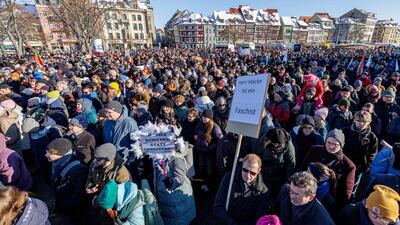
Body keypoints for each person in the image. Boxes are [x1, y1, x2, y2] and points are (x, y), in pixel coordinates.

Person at [301, 129, 356, 207]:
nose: (331, 146)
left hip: (326, 202)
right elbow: (302, 167)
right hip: (306, 191)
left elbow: (346, 191)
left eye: (335, 144)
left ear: (341, 145)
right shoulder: (314, 150)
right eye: (328, 142)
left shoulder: (348, 166)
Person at [213, 154, 273, 225]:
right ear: (242, 166)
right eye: (245, 170)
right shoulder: (229, 178)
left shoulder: (263, 192)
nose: (248, 175)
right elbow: (218, 207)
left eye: (253, 173)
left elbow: (259, 220)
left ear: (258, 171)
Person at [45, 138, 88, 222]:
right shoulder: (57, 162)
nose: (46, 155)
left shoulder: (79, 169)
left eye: (49, 153)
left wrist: (65, 205)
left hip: (70, 208)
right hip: (61, 200)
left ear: (60, 154)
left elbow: (79, 194)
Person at [154, 140, 196, 225]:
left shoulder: (176, 157)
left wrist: (172, 183)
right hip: (168, 201)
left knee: (179, 220)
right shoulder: (162, 156)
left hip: (176, 201)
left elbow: (180, 178)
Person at [255, 128, 296, 195]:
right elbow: (257, 155)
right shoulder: (264, 140)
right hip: (265, 171)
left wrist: (288, 180)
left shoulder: (288, 146)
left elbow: (291, 164)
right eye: (275, 144)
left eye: (278, 144)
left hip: (279, 173)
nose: (276, 146)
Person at [194, 109, 223, 191]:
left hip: (209, 153)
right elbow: (196, 132)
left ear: (210, 118)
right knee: (202, 167)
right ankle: (203, 183)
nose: (204, 118)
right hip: (201, 152)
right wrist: (196, 137)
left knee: (210, 170)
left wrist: (210, 148)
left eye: (206, 117)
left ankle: (210, 186)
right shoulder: (200, 124)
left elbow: (220, 140)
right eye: (203, 116)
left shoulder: (215, 127)